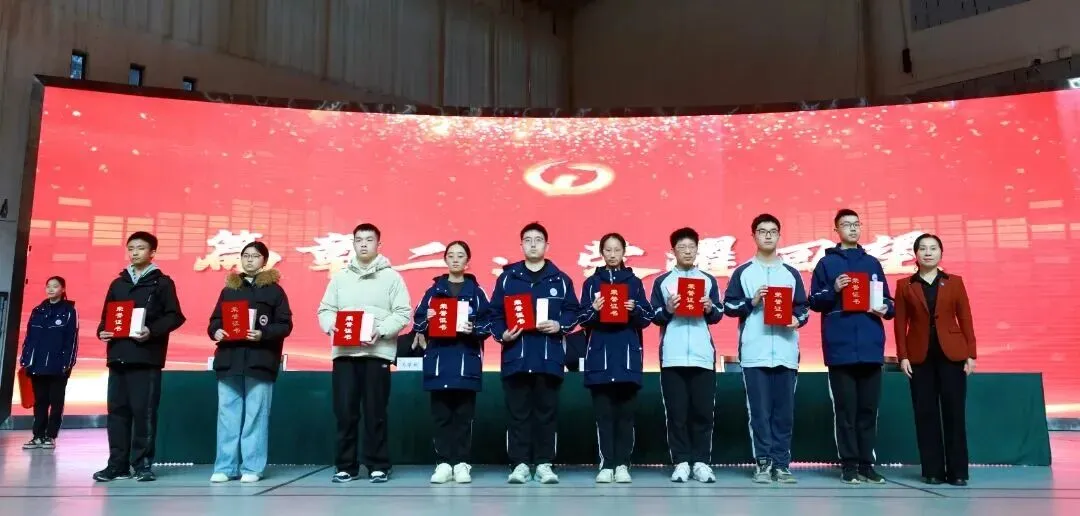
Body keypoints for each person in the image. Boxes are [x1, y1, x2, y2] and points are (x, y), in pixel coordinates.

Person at [488, 222, 583, 485]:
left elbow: (573, 311)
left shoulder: (560, 279)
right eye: (528, 240)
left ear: (546, 245)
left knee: (546, 414)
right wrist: (503, 334)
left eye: (538, 239)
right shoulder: (507, 278)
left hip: (548, 358)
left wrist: (559, 325)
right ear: (521, 245)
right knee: (517, 414)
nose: (533, 244)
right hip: (516, 357)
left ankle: (544, 464)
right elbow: (494, 314)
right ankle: (519, 464)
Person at [317, 223, 412, 483]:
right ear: (353, 244)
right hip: (345, 355)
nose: (363, 244)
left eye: (369, 240)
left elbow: (403, 313)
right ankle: (346, 466)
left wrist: (381, 330)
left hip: (377, 354)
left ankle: (378, 464)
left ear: (379, 245)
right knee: (345, 412)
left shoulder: (392, 278)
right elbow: (325, 310)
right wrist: (331, 325)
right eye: (359, 240)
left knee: (375, 412)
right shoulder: (340, 278)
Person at [808, 209, 894, 484]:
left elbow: (889, 303)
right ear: (836, 230)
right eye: (847, 225)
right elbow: (814, 301)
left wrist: (884, 307)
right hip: (840, 348)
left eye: (856, 224)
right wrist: (833, 288)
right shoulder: (826, 264)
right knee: (846, 410)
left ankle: (867, 464)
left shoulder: (872, 263)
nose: (853, 229)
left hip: (870, 346)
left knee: (868, 410)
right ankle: (849, 465)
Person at [93, 232, 186, 482]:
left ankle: (143, 464)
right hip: (118, 356)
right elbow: (106, 316)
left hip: (146, 357)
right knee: (117, 413)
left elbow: (175, 316)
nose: (134, 252)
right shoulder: (118, 283)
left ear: (152, 253)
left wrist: (152, 331)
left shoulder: (162, 283)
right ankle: (117, 465)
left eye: (141, 248)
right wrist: (102, 331)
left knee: (143, 413)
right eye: (131, 248)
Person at [723, 214, 810, 484]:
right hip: (754, 353)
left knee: (784, 413)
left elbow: (803, 308)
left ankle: (782, 464)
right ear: (754, 236)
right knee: (759, 412)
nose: (768, 235)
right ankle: (763, 462)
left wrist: (797, 319)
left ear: (779, 235)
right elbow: (729, 306)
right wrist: (752, 301)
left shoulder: (790, 273)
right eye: (762, 231)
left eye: (773, 231)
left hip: (785, 351)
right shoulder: (743, 272)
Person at [207, 241, 293, 484]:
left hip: (260, 361)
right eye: (245, 255)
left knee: (256, 416)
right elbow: (214, 321)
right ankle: (226, 467)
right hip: (229, 361)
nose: (249, 260)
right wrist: (216, 331)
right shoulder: (229, 290)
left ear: (264, 261)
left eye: (255, 256)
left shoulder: (275, 291)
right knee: (227, 416)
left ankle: (252, 467)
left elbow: (285, 325)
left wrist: (263, 334)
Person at [894, 234, 976, 486]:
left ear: (941, 253)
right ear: (916, 254)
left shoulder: (954, 282)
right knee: (925, 414)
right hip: (919, 357)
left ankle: (958, 472)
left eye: (933, 248)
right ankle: (933, 470)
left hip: (952, 355)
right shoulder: (905, 285)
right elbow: (900, 323)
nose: (928, 253)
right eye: (923, 249)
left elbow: (965, 317)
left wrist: (971, 353)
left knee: (954, 413)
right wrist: (903, 356)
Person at [410, 241, 491, 484]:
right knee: (441, 416)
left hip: (466, 362)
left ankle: (462, 463)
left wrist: (473, 329)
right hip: (439, 362)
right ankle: (443, 463)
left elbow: (489, 325)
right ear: (445, 260)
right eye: (451, 255)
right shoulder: (433, 291)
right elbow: (418, 321)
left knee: (464, 417)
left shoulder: (477, 292)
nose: (455, 259)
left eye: (460, 256)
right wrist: (428, 319)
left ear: (467, 261)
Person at [650, 227, 723, 483]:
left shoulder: (708, 280)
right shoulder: (662, 282)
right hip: (673, 356)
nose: (688, 251)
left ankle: (701, 462)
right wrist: (668, 309)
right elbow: (653, 315)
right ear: (673, 251)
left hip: (702, 356)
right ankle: (681, 461)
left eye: (692, 247)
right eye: (682, 247)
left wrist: (709, 307)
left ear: (697, 250)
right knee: (677, 413)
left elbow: (718, 314)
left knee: (703, 412)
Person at [579, 233, 654, 484]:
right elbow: (581, 319)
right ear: (601, 253)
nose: (612, 255)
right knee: (604, 416)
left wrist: (634, 309)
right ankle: (606, 464)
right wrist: (594, 309)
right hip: (599, 360)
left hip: (627, 359)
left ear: (624, 252)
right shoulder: (591, 283)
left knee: (625, 417)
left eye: (617, 250)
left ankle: (622, 464)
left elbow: (647, 318)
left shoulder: (635, 283)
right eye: (608, 250)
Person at [19, 276, 78, 450]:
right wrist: (25, 359)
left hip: (58, 366)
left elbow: (72, 339)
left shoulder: (69, 311)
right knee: (40, 401)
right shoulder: (37, 310)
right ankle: (37, 436)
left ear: (63, 289)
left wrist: (68, 362)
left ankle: (50, 436)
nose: (51, 289)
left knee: (56, 402)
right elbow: (29, 338)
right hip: (37, 365)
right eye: (48, 286)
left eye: (55, 286)